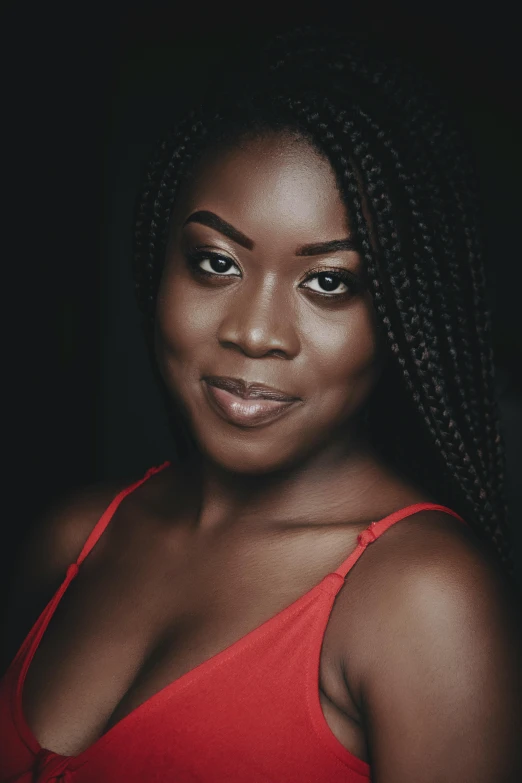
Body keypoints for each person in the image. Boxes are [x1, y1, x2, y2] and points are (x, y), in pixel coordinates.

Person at [1, 27, 521, 783]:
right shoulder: (73, 540)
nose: (254, 331)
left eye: (329, 282)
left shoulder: (423, 600)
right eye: (216, 262)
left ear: (405, 316)